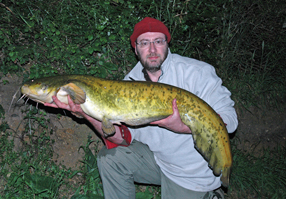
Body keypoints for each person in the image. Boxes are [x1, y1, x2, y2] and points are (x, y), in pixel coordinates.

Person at [45, 17, 238, 199]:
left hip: (192, 174)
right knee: (110, 159)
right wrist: (85, 114)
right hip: (159, 162)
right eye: (144, 43)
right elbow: (121, 138)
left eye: (159, 41)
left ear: (167, 44)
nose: (152, 49)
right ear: (135, 49)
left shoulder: (196, 73)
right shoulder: (127, 85)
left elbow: (231, 120)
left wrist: (182, 126)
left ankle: (210, 194)